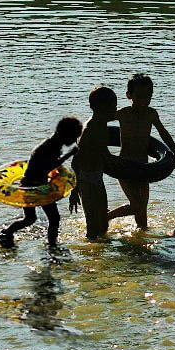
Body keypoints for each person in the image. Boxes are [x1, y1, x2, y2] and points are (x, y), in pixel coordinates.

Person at [107, 74, 175, 229]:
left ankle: (142, 239)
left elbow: (163, 132)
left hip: (144, 167)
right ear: (129, 96)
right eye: (139, 97)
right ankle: (105, 217)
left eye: (148, 96)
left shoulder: (151, 114)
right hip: (124, 166)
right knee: (136, 206)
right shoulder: (122, 113)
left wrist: (174, 151)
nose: (144, 101)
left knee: (142, 212)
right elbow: (99, 124)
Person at [0, 117, 82, 248]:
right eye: (73, 138)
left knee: (30, 219)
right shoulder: (51, 146)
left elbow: (45, 167)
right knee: (54, 219)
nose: (74, 141)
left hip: (28, 184)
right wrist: (69, 154)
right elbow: (50, 166)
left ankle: (7, 232)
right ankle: (52, 246)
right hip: (36, 187)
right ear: (66, 135)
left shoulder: (52, 144)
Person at [70, 86, 119, 240]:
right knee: (93, 227)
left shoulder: (101, 124)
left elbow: (102, 151)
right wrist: (74, 189)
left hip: (97, 177)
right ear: (102, 108)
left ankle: (101, 251)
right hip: (86, 179)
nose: (115, 110)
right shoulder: (91, 129)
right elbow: (76, 159)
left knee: (103, 224)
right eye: (113, 107)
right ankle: (91, 258)